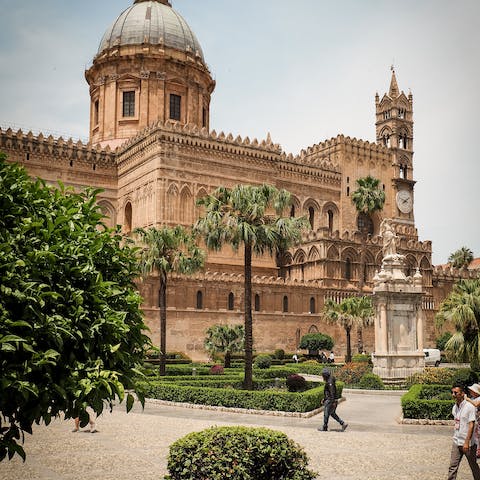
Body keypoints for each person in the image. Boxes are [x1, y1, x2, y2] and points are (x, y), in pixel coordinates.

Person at [447, 384, 480, 479]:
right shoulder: (455, 407)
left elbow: (471, 425)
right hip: (457, 441)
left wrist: (466, 442)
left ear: (462, 394)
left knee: (473, 465)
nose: (453, 394)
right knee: (453, 466)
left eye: (456, 392)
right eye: (452, 392)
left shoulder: (469, 406)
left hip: (468, 443)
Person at [318, 368, 347, 432]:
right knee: (332, 413)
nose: (322, 377)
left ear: (325, 375)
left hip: (330, 401)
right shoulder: (330, 380)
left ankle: (325, 427)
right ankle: (342, 423)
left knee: (326, 414)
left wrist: (333, 401)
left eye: (323, 375)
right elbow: (329, 392)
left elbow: (332, 392)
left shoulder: (329, 382)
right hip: (331, 400)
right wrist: (324, 398)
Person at [466, 383, 480, 458]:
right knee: (474, 436)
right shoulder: (472, 398)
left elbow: (476, 404)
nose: (470, 392)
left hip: (478, 420)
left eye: (471, 390)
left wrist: (468, 399)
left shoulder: (478, 399)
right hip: (473, 419)